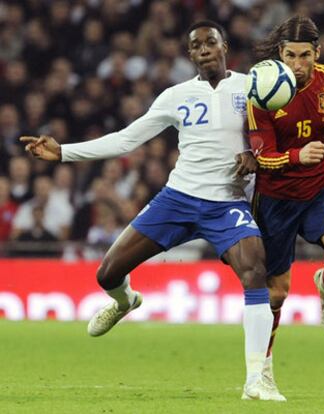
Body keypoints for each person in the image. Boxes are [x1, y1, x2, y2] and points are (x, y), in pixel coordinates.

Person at [21, 21, 283, 401]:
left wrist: (256, 153)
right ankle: (126, 301)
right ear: (190, 54)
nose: (205, 49)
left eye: (211, 41)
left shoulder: (251, 88)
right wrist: (63, 152)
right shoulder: (175, 96)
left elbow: (275, 135)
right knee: (107, 273)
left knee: (255, 270)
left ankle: (255, 379)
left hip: (227, 203)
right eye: (197, 45)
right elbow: (127, 139)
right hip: (177, 199)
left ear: (224, 45)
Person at [240, 16, 324, 396]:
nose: (298, 64)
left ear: (318, 53)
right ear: (280, 53)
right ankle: (262, 372)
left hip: (320, 188)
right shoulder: (262, 89)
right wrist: (298, 155)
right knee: (276, 295)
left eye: (305, 56)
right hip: (276, 197)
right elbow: (262, 156)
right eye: (291, 55)